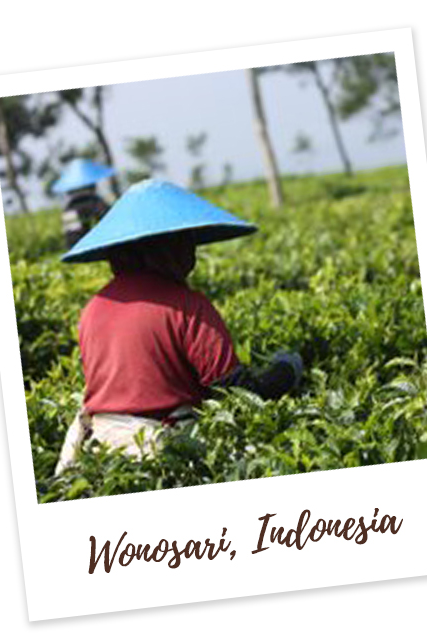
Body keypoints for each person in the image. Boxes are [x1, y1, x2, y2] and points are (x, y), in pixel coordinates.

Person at [54, 179, 303, 475]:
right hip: (164, 453)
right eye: (184, 241)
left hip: (100, 451)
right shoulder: (187, 307)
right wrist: (286, 372)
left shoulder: (92, 309)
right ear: (163, 249)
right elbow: (236, 392)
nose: (192, 252)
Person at [51, 158, 116, 248]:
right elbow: (111, 223)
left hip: (76, 249)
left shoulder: (69, 208)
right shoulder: (95, 202)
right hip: (97, 247)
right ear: (92, 185)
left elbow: (71, 237)